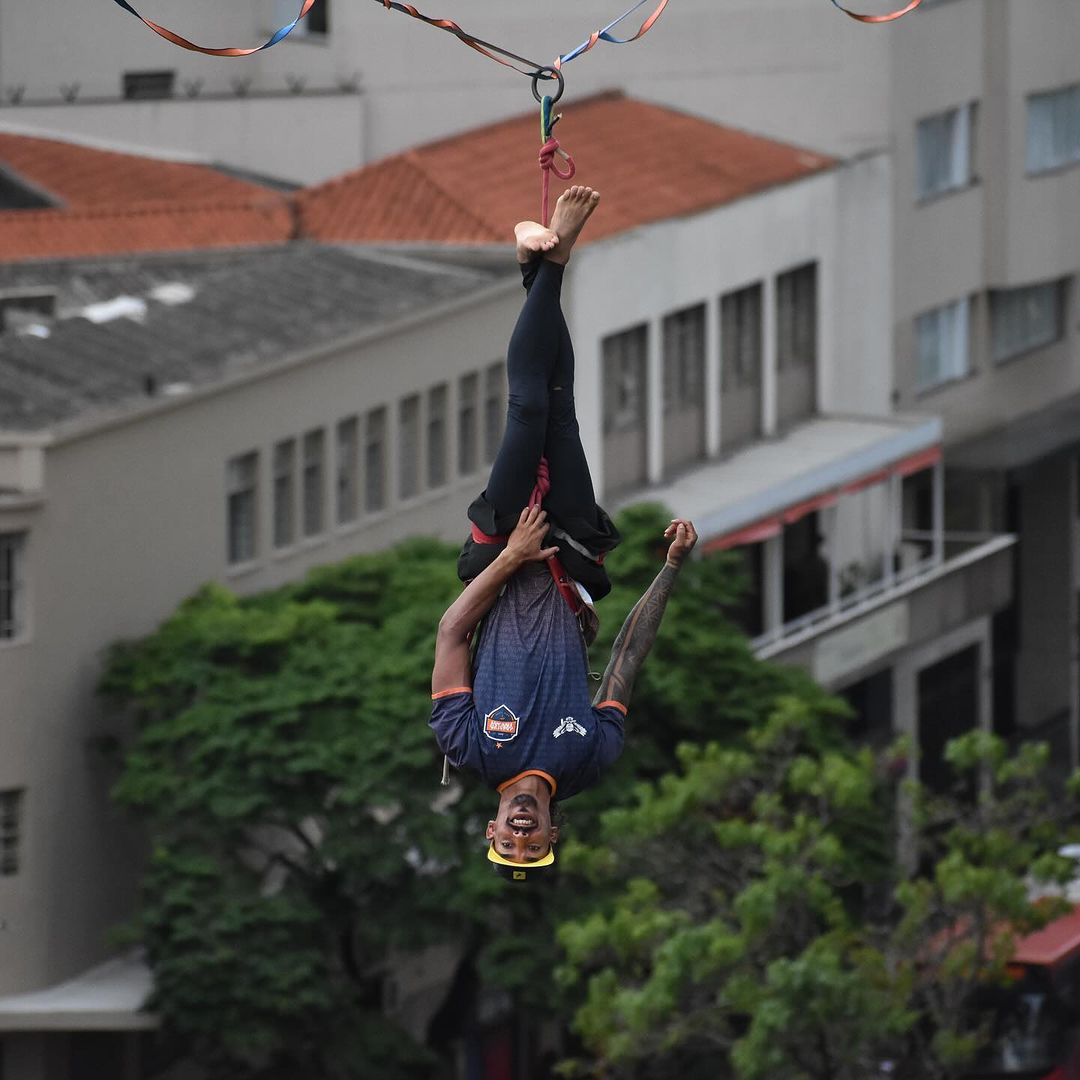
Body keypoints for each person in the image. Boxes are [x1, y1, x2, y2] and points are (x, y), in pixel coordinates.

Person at [429, 185, 698, 881]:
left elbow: (452, 634)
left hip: (504, 552)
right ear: (554, 829)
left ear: (491, 828)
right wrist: (670, 568)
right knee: (559, 406)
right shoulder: (587, 759)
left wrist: (512, 555)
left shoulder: (468, 748)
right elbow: (628, 659)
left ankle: (552, 259)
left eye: (509, 844)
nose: (521, 836)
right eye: (533, 845)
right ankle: (538, 265)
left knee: (525, 411)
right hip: (571, 561)